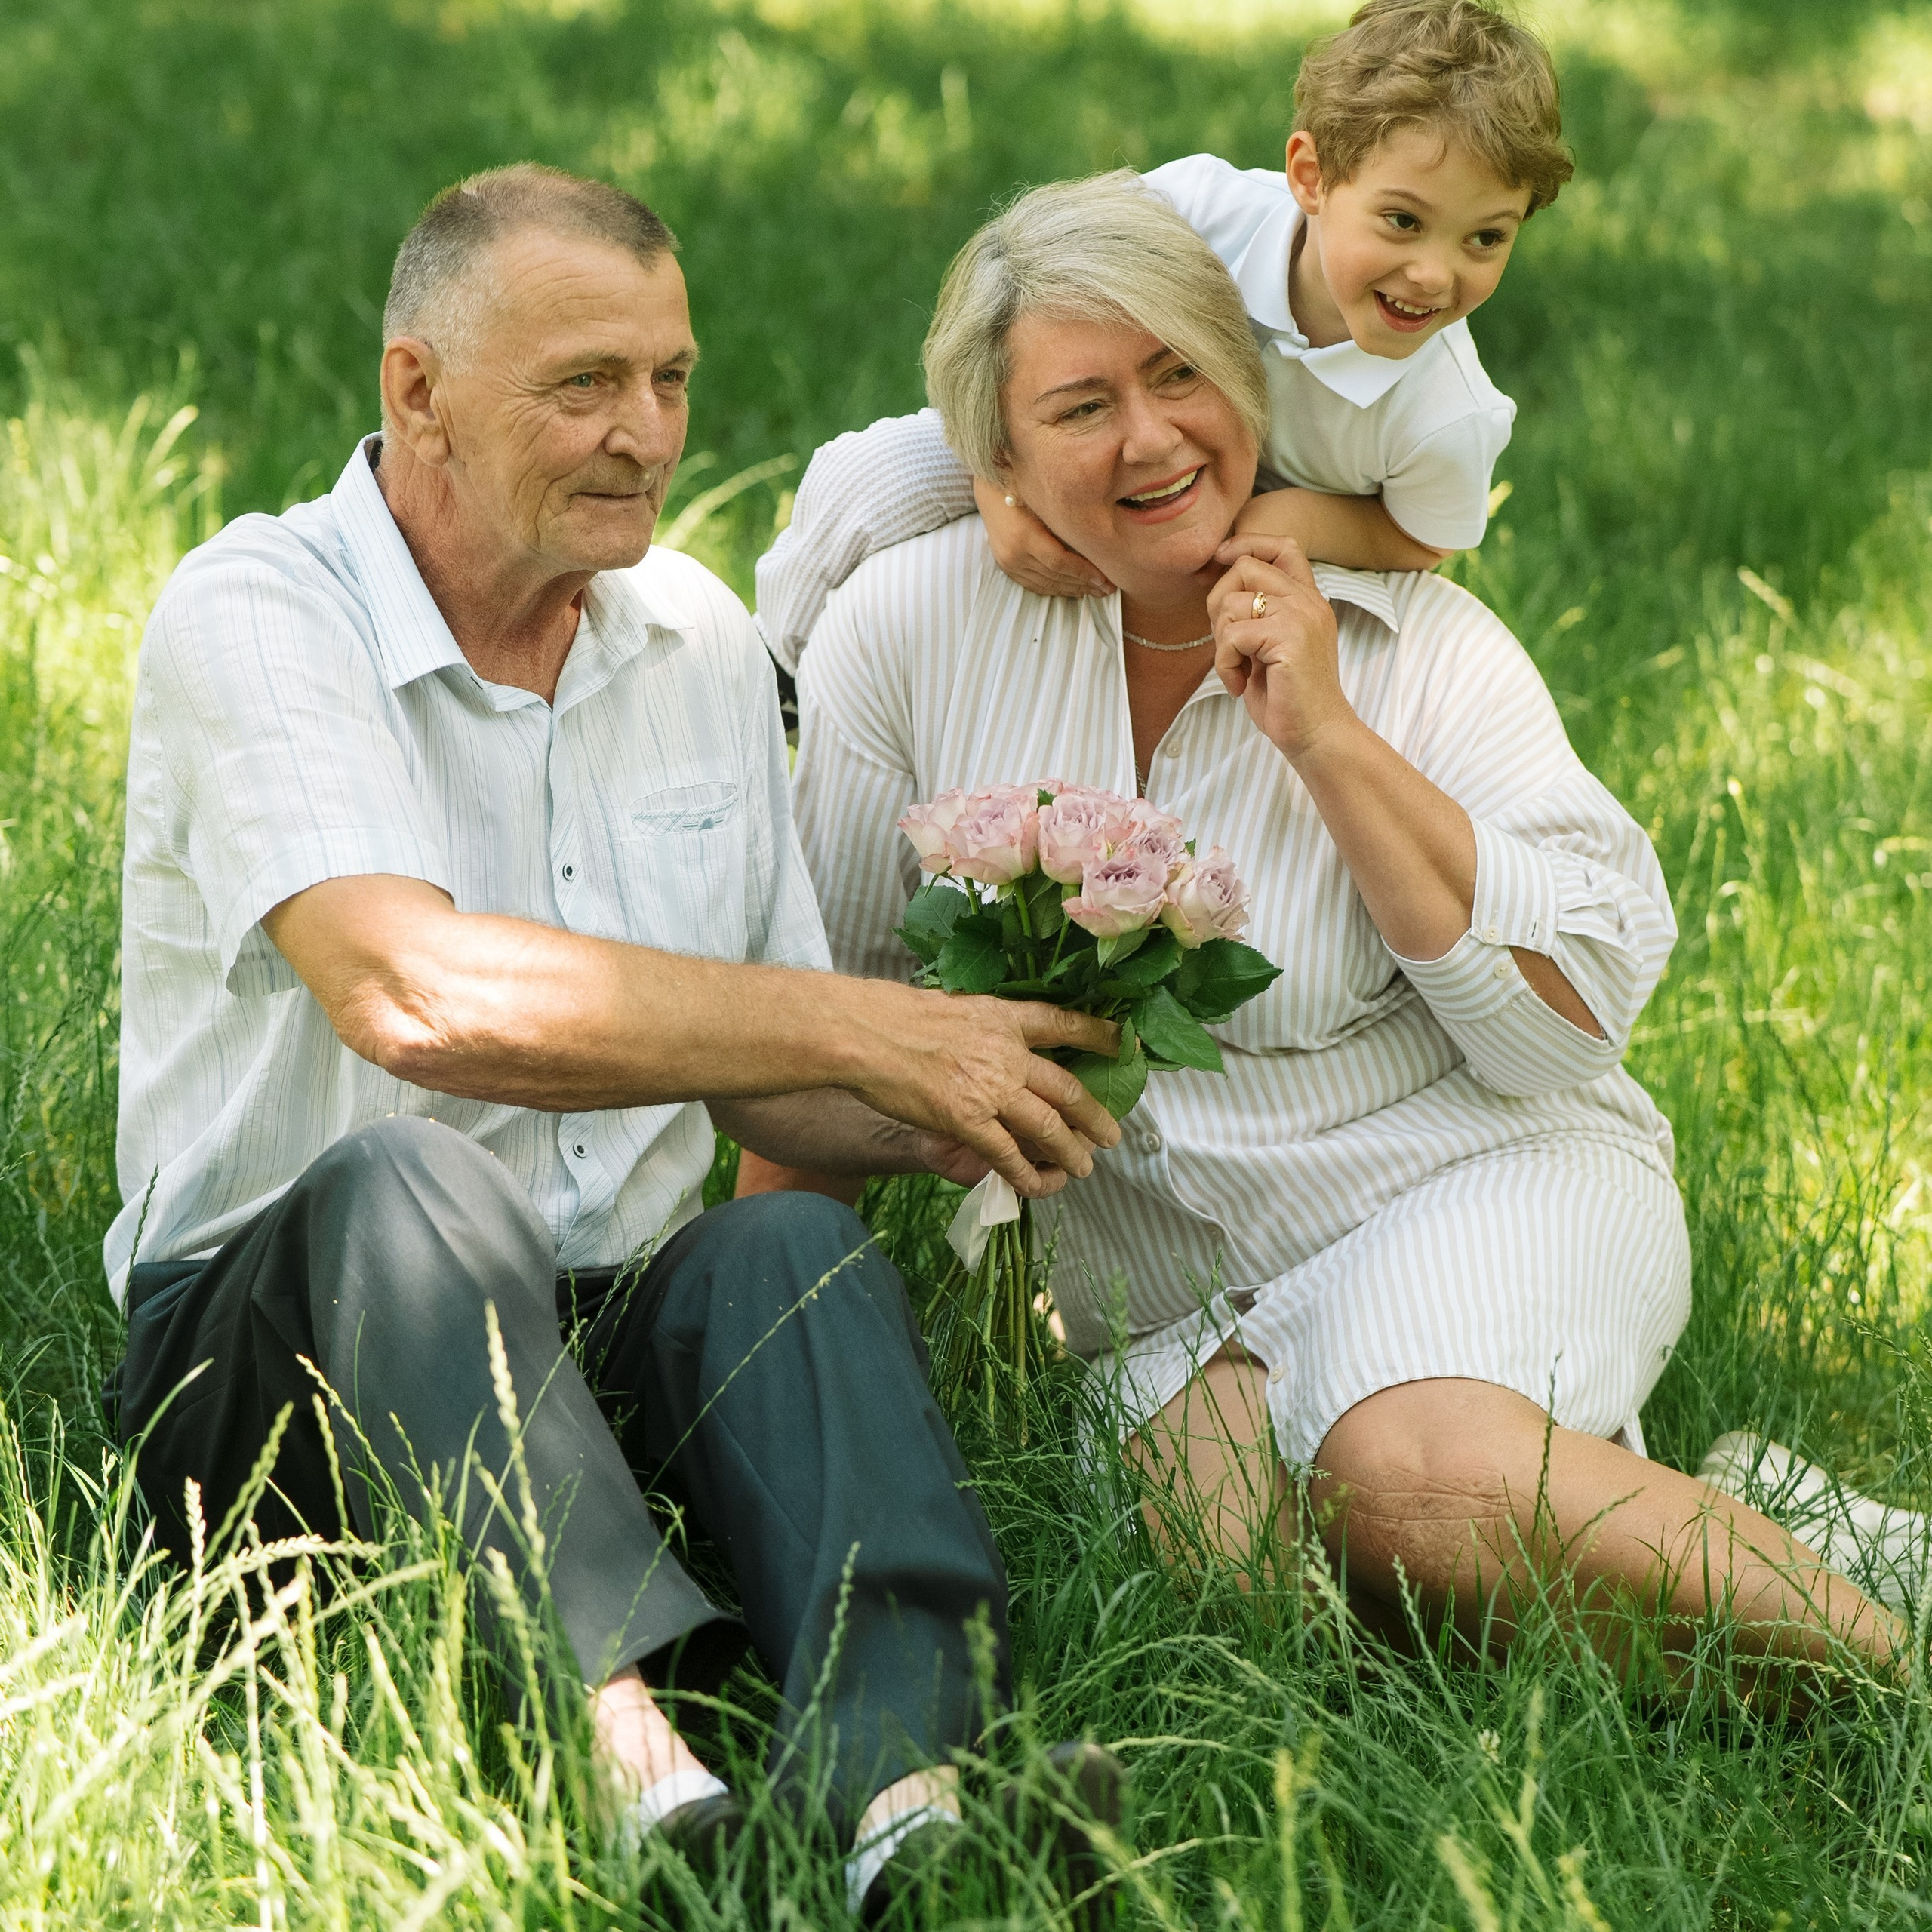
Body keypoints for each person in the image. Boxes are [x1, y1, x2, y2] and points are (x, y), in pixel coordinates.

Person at [106, 162, 1126, 1912]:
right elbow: (404, 990)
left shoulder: (699, 638)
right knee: (413, 1181)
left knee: (785, 1242)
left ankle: (912, 1799)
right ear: (413, 387)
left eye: (670, 378)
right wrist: (864, 1024)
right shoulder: (260, 613)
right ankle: (632, 1783)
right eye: (582, 384)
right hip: (281, 1368)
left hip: (583, 1355)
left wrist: (996, 1068)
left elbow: (770, 1070)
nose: (643, 433)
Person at [746, 171, 1918, 1683]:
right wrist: (755, 1378)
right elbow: (820, 1012)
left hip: (1468, 1173)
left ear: (1248, 377)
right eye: (1081, 404)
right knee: (1255, 1622)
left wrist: (1324, 734)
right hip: (1160, 1294)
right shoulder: (903, 631)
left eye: (1181, 373)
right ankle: (1734, 1511)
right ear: (998, 454)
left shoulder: (1411, 636)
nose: (1153, 435)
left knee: (1416, 1492)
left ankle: (1887, 1682)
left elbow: (1559, 1031)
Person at [753, 0, 1567, 670]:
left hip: (1238, 504)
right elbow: (1035, 290)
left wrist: (1291, 520)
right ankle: (779, 672)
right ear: (1311, 177)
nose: (1433, 274)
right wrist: (996, 486)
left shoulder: (1446, 414)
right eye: (1402, 220)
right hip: (1091, 431)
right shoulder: (1199, 208)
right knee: (870, 472)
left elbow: (1421, 537)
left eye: (1485, 239)